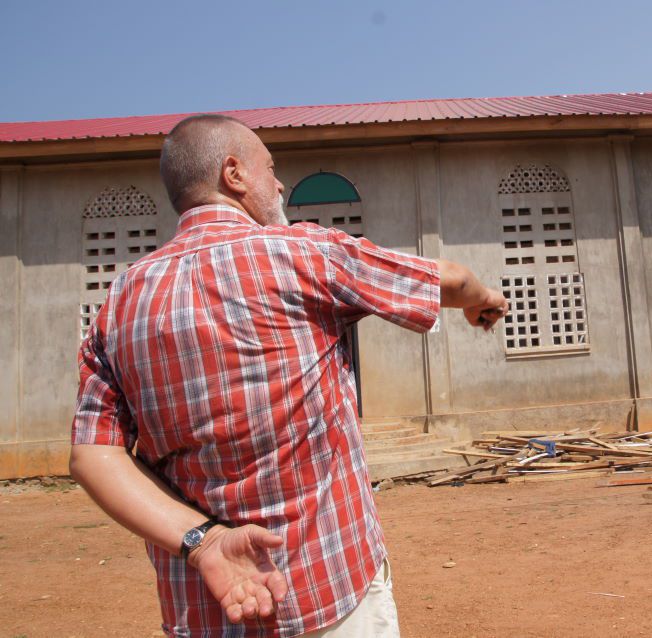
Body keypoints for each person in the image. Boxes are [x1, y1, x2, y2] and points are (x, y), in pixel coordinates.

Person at [70, 114, 509, 637]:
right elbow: (452, 280)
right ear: (234, 174)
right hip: (331, 595)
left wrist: (203, 540)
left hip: (210, 610)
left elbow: (92, 455)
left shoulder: (119, 303)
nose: (279, 184)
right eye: (270, 168)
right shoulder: (306, 253)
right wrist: (484, 301)